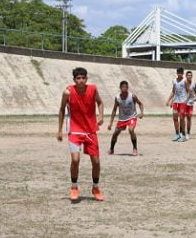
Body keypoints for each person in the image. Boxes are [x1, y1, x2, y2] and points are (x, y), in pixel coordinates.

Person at [56, 67, 104, 202]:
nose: (81, 81)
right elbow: (61, 110)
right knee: (75, 159)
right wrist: (59, 130)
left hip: (90, 130)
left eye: (83, 78)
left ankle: (95, 187)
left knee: (96, 162)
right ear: (74, 80)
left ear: (86, 79)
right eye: (78, 78)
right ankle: (74, 187)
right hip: (74, 130)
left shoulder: (93, 89)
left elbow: (100, 102)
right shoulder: (68, 92)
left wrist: (100, 115)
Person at [107, 81, 144, 156]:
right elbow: (114, 110)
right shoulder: (117, 98)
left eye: (126, 87)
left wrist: (141, 112)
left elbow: (140, 104)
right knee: (115, 134)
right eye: (123, 87)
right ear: (120, 88)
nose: (124, 88)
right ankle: (111, 149)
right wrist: (110, 123)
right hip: (122, 119)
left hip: (132, 117)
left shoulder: (132, 96)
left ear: (128, 88)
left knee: (131, 130)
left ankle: (135, 149)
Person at [165, 67, 188, 142]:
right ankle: (177, 134)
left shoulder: (185, 81)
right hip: (176, 101)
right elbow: (173, 91)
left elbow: (189, 91)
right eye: (178, 72)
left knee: (181, 118)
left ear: (183, 73)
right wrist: (169, 100)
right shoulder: (174, 81)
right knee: (175, 118)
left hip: (182, 102)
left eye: (181, 72)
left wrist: (186, 100)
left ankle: (183, 135)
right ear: (177, 73)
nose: (180, 74)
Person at [183, 71, 196, 140]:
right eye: (188, 75)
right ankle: (182, 133)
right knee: (182, 118)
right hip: (183, 102)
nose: (189, 76)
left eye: (190, 75)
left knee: (189, 118)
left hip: (190, 103)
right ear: (186, 76)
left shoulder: (194, 83)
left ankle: (188, 133)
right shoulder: (183, 83)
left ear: (192, 76)